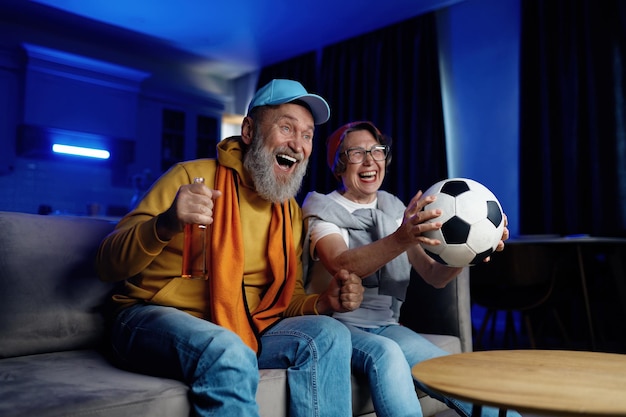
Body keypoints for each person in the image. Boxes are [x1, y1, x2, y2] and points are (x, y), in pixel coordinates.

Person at [96, 79, 364, 417]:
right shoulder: (190, 177)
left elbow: (285, 298)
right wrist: (164, 224)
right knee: (228, 348)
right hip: (148, 318)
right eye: (286, 128)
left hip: (245, 327)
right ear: (249, 131)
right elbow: (106, 264)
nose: (298, 144)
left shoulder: (290, 213)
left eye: (308, 135)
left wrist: (323, 302)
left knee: (329, 334)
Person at [302, 121, 519, 417]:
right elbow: (342, 263)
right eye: (356, 153)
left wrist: (470, 252)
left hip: (387, 324)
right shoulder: (322, 209)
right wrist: (402, 236)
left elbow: (433, 275)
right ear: (339, 163)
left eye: (377, 151)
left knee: (450, 373)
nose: (370, 161)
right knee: (386, 353)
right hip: (337, 328)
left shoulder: (394, 209)